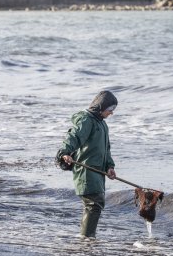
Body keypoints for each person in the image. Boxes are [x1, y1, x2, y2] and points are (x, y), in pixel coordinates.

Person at [57, 90, 118, 239]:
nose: (111, 113)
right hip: (86, 170)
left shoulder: (102, 125)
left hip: (98, 172)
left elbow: (106, 149)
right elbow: (74, 136)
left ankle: (88, 237)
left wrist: (110, 167)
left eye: (113, 110)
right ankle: (86, 239)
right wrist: (65, 152)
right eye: (110, 110)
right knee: (93, 203)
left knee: (95, 204)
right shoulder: (86, 120)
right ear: (100, 107)